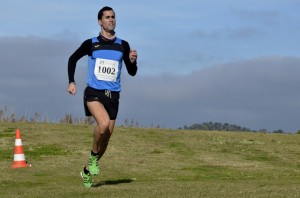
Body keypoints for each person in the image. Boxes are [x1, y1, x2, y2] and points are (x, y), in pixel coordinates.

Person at [67, 6, 138, 187]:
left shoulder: (123, 44)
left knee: (106, 138)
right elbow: (72, 59)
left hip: (113, 96)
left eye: (113, 17)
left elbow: (132, 72)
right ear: (100, 21)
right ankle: (93, 158)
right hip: (94, 92)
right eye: (107, 17)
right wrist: (72, 81)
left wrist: (132, 61)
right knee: (103, 124)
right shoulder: (91, 43)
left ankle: (86, 171)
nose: (111, 20)